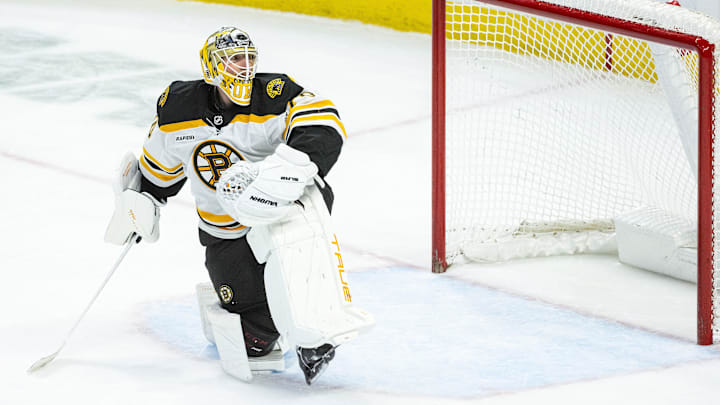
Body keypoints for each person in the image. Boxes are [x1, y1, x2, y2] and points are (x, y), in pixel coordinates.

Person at [104, 27, 350, 384]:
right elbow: (159, 175)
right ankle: (266, 317)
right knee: (256, 338)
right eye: (235, 59)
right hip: (224, 231)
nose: (245, 67)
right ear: (211, 66)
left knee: (300, 248)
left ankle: (313, 334)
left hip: (277, 219)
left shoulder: (274, 94)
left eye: (250, 58)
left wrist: (293, 166)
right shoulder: (178, 109)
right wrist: (142, 203)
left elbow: (323, 120)